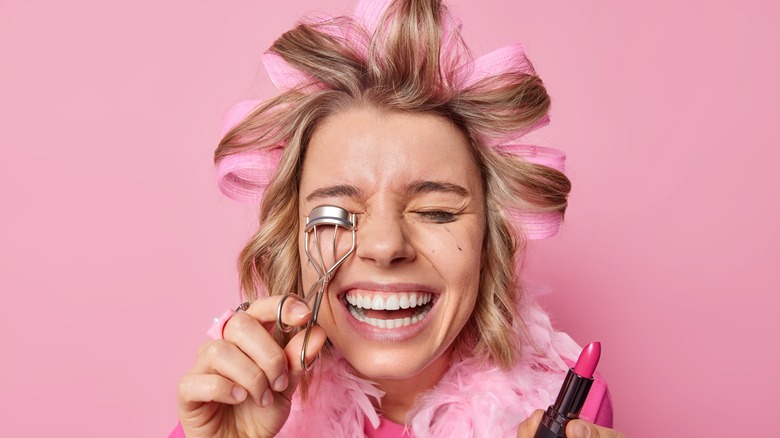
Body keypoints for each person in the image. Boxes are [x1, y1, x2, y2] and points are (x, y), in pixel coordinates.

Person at [174, 0, 625, 436]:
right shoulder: (233, 408)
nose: (385, 245)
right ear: (292, 237)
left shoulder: (564, 408)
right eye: (338, 213)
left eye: (436, 212)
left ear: (491, 239)